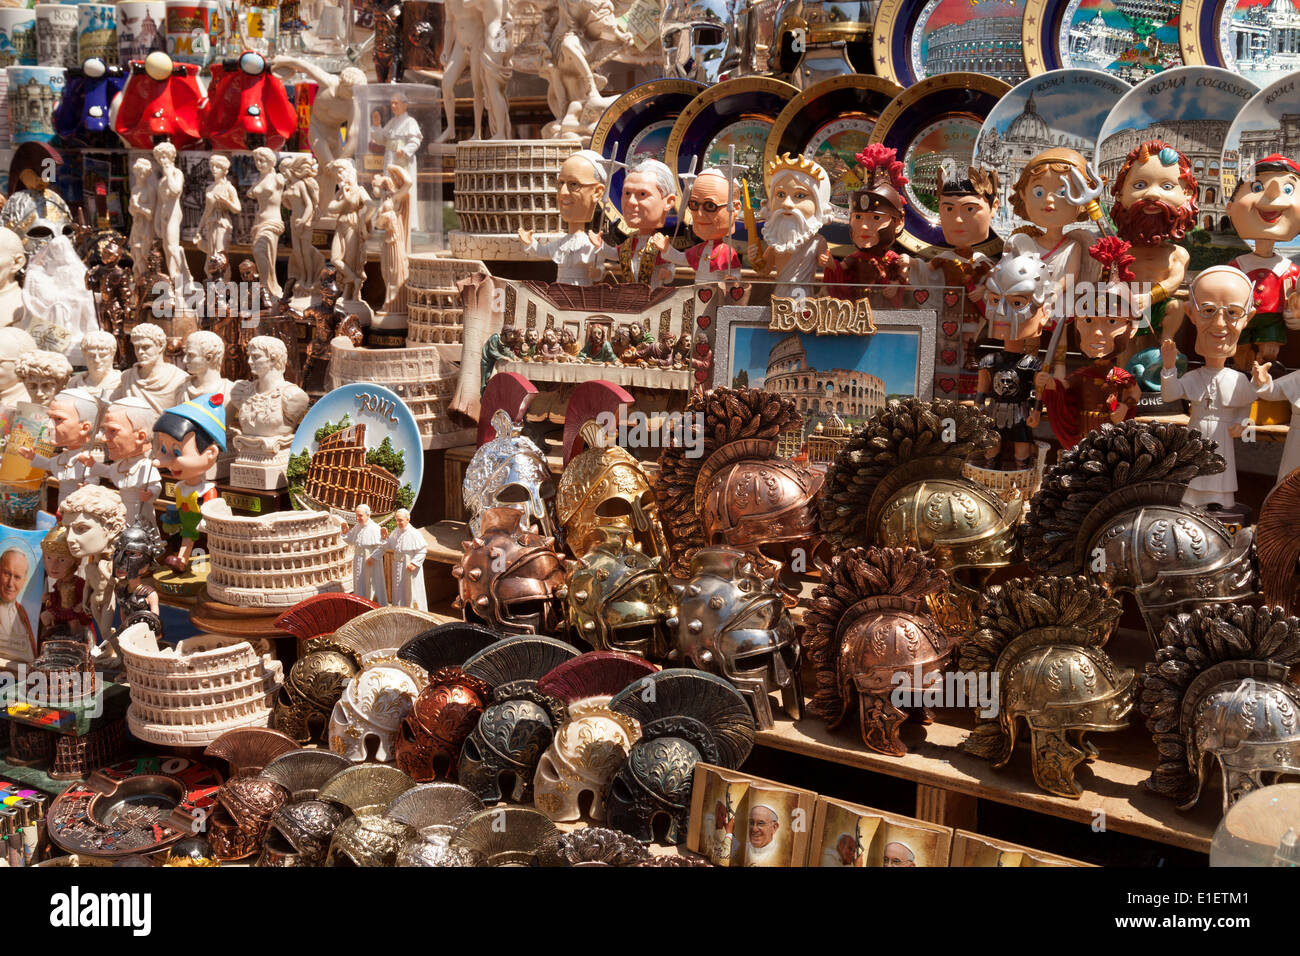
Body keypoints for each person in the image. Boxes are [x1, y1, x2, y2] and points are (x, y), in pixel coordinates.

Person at [1161, 266, 1259, 511]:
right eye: (1208, 310)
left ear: (1248, 317)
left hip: (1223, 435)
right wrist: (1169, 367)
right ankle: (1192, 499)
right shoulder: (1194, 376)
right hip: (1196, 430)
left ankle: (1220, 502)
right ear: (1190, 313)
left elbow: (1247, 408)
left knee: (1220, 470)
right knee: (1194, 472)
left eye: (1233, 312)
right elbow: (1170, 394)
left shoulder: (1238, 380)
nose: (1219, 323)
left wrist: (1245, 424)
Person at [1226, 154, 1300, 369]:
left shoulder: (1290, 269)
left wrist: (1297, 314)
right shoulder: (1236, 266)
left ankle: (1263, 388)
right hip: (1240, 320)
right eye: (1257, 188)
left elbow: (1296, 298)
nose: (1272, 195)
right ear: (1230, 207)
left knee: (1268, 355)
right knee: (1240, 355)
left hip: (1273, 322)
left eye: (1289, 189)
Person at [153, 393, 226, 572]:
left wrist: (207, 521)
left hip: (206, 526)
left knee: (211, 543)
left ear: (210, 453)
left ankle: (219, 562)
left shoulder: (207, 490)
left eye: (177, 452)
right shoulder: (180, 487)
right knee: (187, 538)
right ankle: (182, 561)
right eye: (163, 449)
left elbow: (212, 508)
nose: (162, 460)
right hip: (188, 524)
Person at [517, 150, 607, 286]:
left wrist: (597, 273)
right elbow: (543, 251)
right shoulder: (561, 243)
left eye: (574, 184)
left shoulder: (591, 244)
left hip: (582, 290)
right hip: (560, 288)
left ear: (597, 192)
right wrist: (530, 243)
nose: (563, 192)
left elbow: (600, 266)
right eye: (560, 183)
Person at [750, 154, 831, 297]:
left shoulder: (817, 242)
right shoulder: (777, 244)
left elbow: (831, 270)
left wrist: (828, 261)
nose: (787, 204)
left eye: (799, 196)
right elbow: (764, 270)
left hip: (804, 296)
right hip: (780, 294)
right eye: (780, 195)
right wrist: (755, 259)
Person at [81, 397, 163, 533]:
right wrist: (92, 464)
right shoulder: (121, 465)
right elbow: (108, 471)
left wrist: (150, 493)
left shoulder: (146, 466)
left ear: (140, 437)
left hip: (141, 513)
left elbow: (156, 486)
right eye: (104, 430)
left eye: (112, 431)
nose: (103, 438)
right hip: (122, 512)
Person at [15, 387, 100, 507]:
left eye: (58, 419)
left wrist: (88, 487)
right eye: (49, 418)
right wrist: (33, 457)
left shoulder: (86, 459)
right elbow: (49, 464)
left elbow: (93, 478)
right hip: (62, 503)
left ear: (84, 428)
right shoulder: (63, 457)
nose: (48, 425)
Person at [602, 159, 678, 287]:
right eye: (627, 193)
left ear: (668, 202)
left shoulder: (659, 243)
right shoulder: (630, 243)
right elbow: (615, 254)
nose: (631, 202)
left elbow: (670, 263)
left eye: (642, 194)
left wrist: (667, 273)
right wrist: (599, 246)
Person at [667, 168, 743, 281]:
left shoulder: (727, 252)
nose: (700, 214)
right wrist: (666, 249)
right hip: (698, 292)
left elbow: (736, 274)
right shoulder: (699, 250)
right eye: (694, 204)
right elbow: (681, 259)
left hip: (719, 294)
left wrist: (733, 279)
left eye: (710, 206)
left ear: (735, 208)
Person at [370, 90, 423, 232]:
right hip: (390, 158)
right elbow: (382, 140)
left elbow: (415, 141)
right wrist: (377, 126)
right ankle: (386, 218)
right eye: (392, 103)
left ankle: (408, 222)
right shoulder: (392, 122)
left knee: (404, 189)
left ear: (404, 105)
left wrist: (405, 151)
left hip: (402, 160)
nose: (393, 106)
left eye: (396, 103)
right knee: (388, 187)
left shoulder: (410, 122)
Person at [341, 504, 388, 603]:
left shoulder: (375, 528)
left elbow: (383, 546)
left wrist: (373, 557)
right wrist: (345, 533)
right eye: (356, 515)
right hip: (358, 558)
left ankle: (372, 604)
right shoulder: (357, 527)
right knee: (359, 582)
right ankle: (360, 604)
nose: (357, 518)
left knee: (370, 583)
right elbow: (351, 540)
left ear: (368, 515)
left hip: (370, 560)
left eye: (360, 515)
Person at [384, 508, 426, 610]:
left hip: (409, 565)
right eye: (397, 520)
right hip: (398, 565)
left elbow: (422, 550)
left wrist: (415, 563)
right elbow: (388, 545)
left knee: (410, 590)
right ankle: (399, 610)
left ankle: (413, 611)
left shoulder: (414, 533)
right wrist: (384, 537)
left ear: (408, 519)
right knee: (398, 589)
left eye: (401, 520)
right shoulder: (395, 532)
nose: (398, 522)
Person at [0, 548, 36, 663]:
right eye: (6, 573)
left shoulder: (22, 613)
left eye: (17, 577)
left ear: (24, 581)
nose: (10, 584)